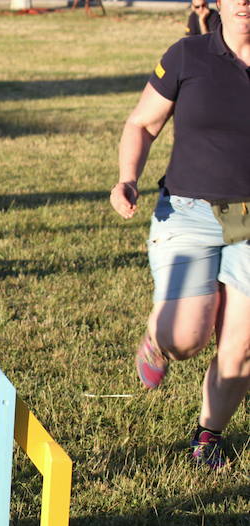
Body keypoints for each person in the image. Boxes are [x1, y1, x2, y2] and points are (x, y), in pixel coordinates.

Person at [109, 0, 250, 469]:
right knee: (188, 338)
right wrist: (127, 177)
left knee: (241, 346)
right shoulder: (189, 55)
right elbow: (143, 123)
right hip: (188, 210)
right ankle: (159, 336)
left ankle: (208, 436)